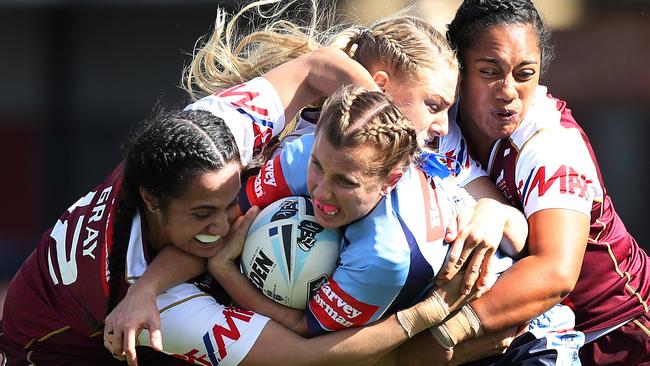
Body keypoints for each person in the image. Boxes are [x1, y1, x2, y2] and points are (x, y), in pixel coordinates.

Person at [104, 2, 581, 365]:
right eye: (434, 105)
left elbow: (314, 343)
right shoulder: (301, 152)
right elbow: (218, 231)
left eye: (346, 181)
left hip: (524, 342)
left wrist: (493, 216)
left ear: (393, 176)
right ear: (381, 89)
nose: (443, 124)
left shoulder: (389, 246)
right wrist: (146, 287)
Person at [0, 31, 472, 365]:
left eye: (231, 200)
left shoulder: (212, 132)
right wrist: (424, 319)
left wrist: (380, 127)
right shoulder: (163, 307)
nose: (229, 221)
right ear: (153, 202)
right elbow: (310, 358)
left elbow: (316, 67)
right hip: (47, 349)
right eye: (204, 213)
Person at [400, 0, 650, 364]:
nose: (507, 91)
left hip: (616, 335)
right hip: (531, 335)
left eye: (524, 74)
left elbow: (555, 272)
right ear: (460, 70)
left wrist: (439, 337)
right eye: (489, 72)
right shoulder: (439, 119)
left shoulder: (550, 145)